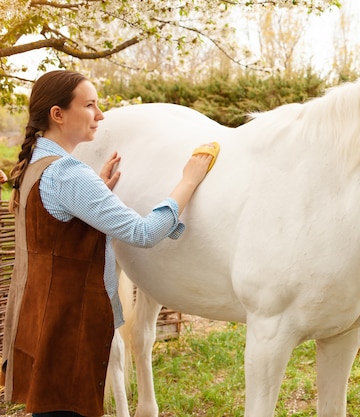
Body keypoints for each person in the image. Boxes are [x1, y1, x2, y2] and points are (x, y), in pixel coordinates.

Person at [0, 70, 219, 417]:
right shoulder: (69, 174)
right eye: (90, 105)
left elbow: (55, 227)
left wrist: (93, 191)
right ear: (58, 114)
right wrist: (187, 182)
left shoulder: (35, 165)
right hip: (72, 332)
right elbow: (144, 233)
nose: (100, 115)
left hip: (40, 324)